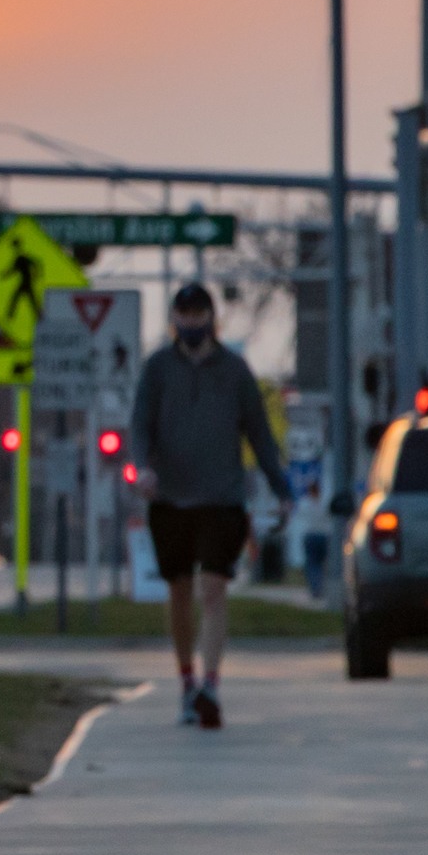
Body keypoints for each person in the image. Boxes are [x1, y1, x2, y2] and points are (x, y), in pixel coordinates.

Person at [130, 281, 286, 731]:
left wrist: (281, 487)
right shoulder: (158, 369)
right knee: (179, 590)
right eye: (185, 315)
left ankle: (211, 687)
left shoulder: (235, 372)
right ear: (175, 319)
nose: (192, 323)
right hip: (170, 499)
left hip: (222, 497)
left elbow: (259, 434)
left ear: (211, 319)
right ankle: (186, 682)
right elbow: (140, 424)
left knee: (214, 590)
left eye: (199, 315)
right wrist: (142, 468)